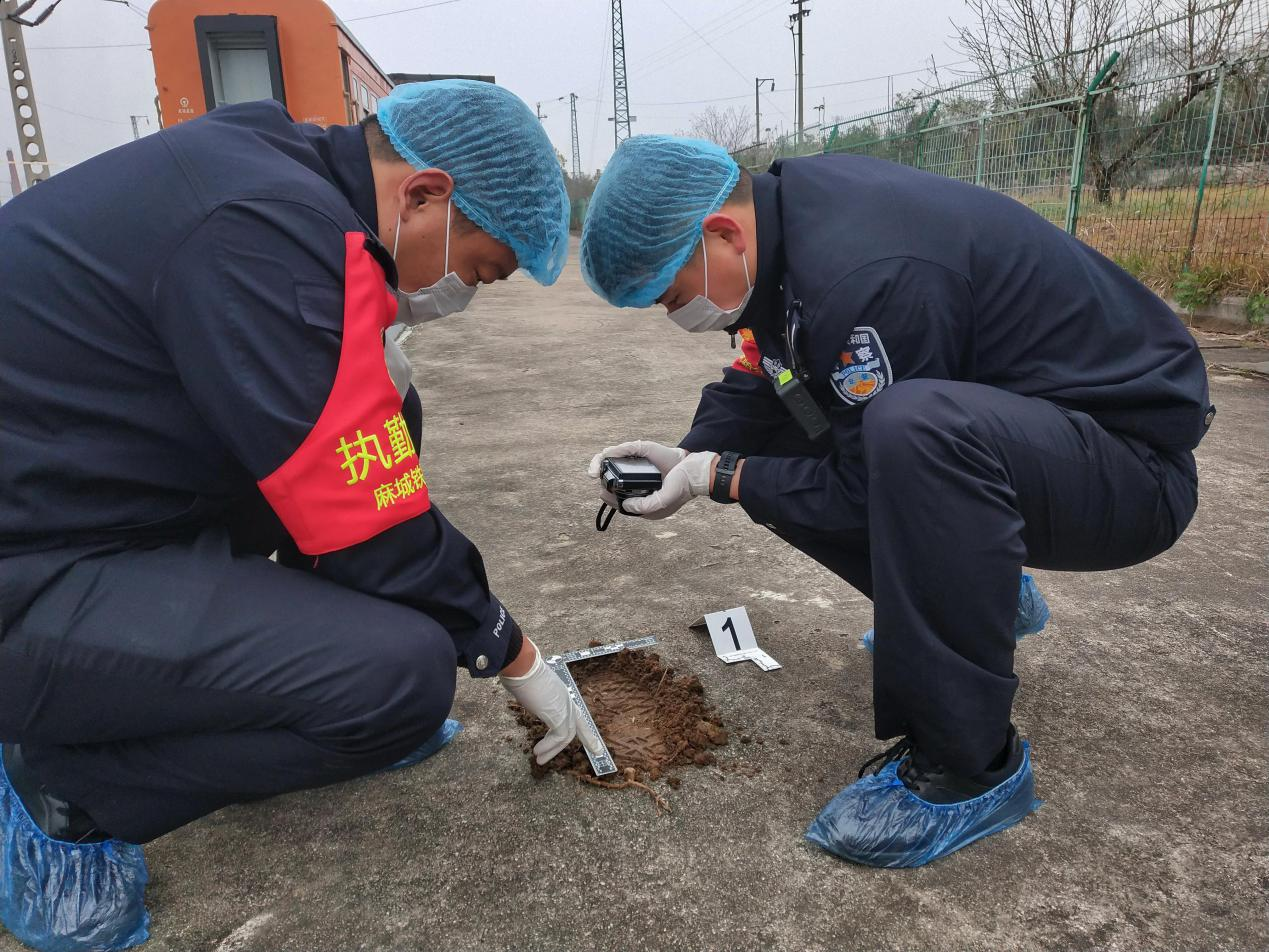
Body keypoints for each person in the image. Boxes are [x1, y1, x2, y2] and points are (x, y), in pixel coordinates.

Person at [0, 80, 599, 951]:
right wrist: (507, 647)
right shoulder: (262, 230)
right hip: (27, 566)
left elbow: (353, 467)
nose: (463, 293)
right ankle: (60, 782)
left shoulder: (273, 174)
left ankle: (268, 673)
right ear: (424, 193)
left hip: (84, 500)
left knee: (388, 412)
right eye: (477, 269)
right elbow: (363, 515)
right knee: (396, 679)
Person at [579, 135, 1212, 868]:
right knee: (798, 447)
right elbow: (770, 373)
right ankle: (988, 603)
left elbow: (869, 488)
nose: (675, 314)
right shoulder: (785, 224)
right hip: (1034, 445)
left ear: (721, 234)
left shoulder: (870, 270)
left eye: (671, 294)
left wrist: (717, 477)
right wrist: (691, 455)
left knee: (908, 430)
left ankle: (971, 768)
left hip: (1129, 470)